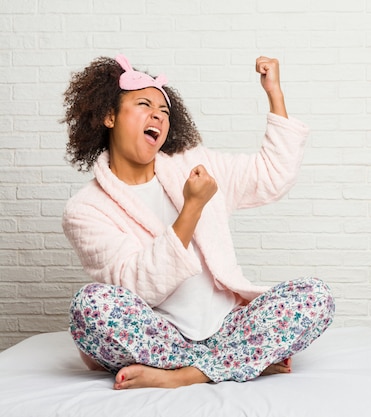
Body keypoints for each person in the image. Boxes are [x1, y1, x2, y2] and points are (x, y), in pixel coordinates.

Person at [61, 54, 335, 390]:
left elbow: (271, 176)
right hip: (161, 337)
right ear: (109, 116)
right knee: (87, 306)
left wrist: (274, 93)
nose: (157, 117)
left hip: (231, 325)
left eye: (164, 112)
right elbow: (136, 285)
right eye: (144, 105)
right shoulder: (85, 209)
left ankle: (187, 374)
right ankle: (239, 361)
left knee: (315, 296)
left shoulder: (194, 163)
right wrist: (192, 208)